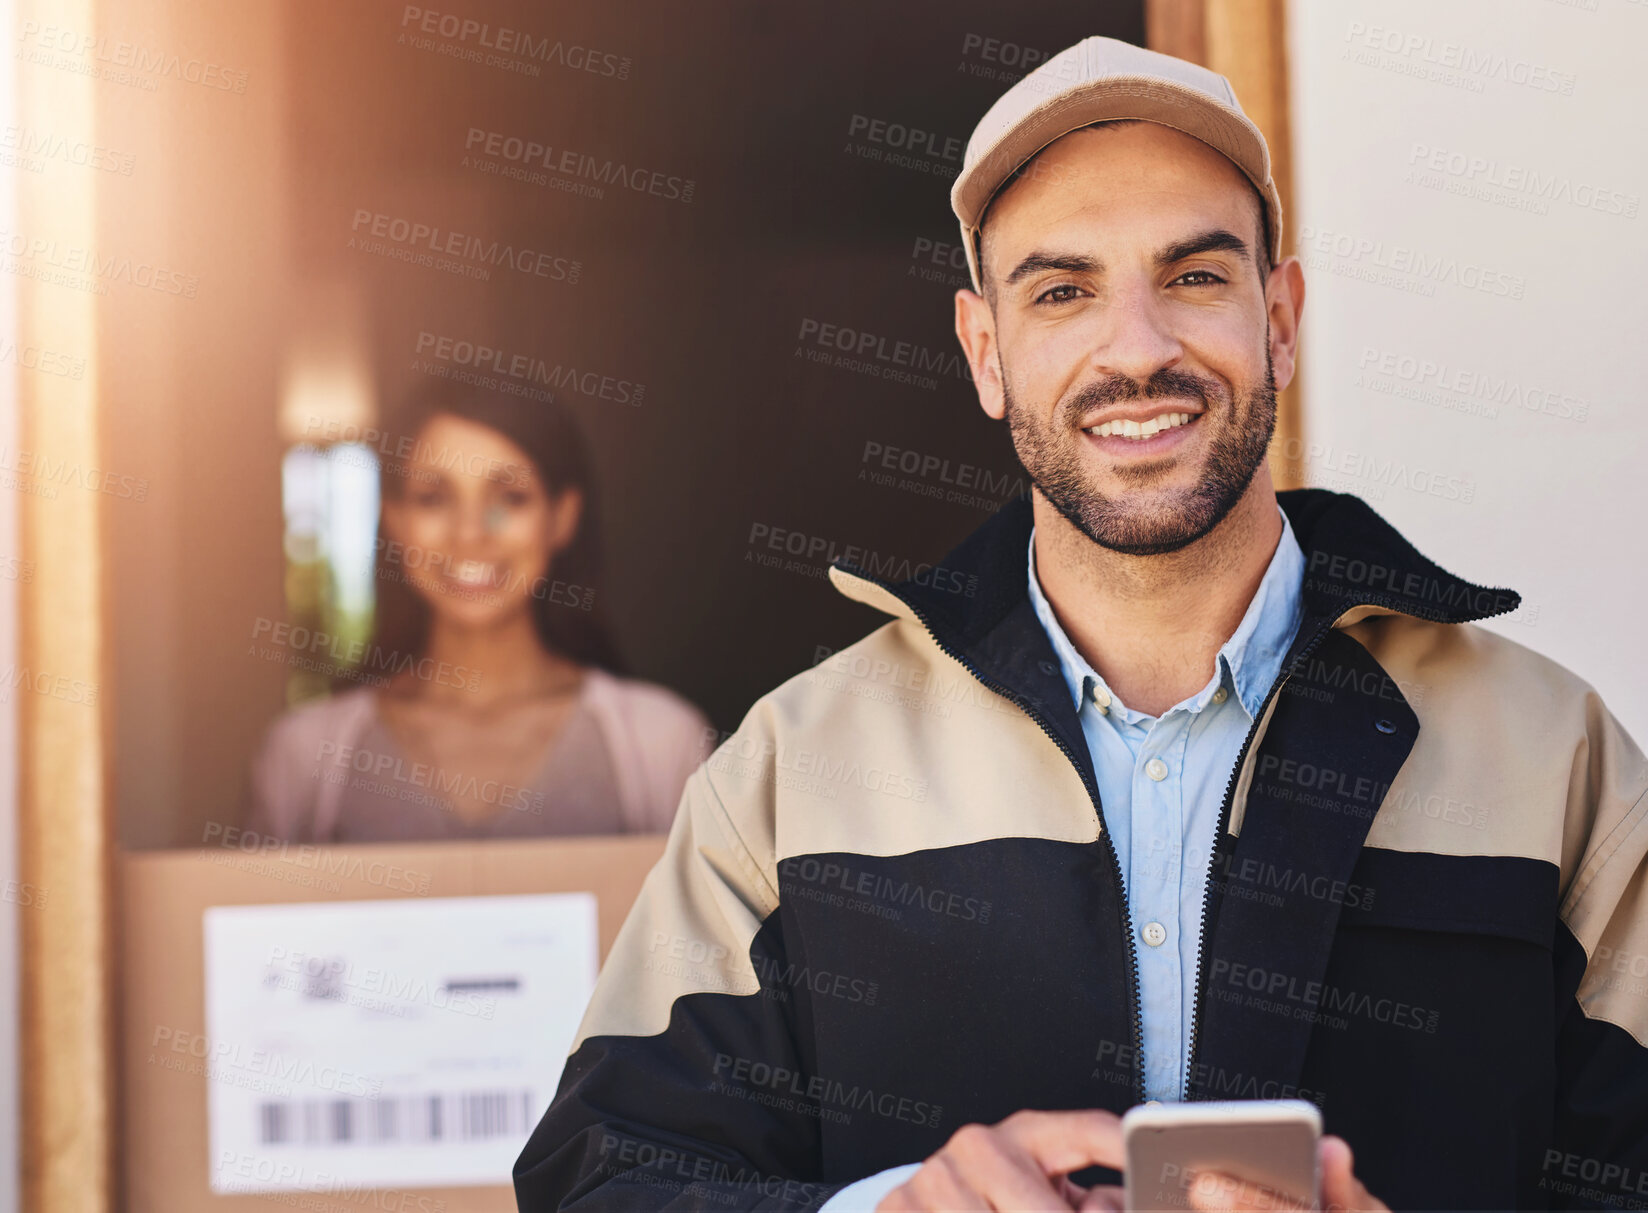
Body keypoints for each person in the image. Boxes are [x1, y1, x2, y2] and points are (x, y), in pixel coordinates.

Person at [513, 36, 1648, 1212]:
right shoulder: (795, 769)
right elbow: (602, 1180)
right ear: (985, 352)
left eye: (1195, 278)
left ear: (1281, 318)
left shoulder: (1550, 754)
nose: (1138, 349)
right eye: (1063, 291)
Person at [246, 381, 709, 842]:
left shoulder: (663, 744)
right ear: (396, 521)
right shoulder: (304, 756)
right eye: (434, 498)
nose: (469, 534)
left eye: (509, 498)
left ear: (562, 518)